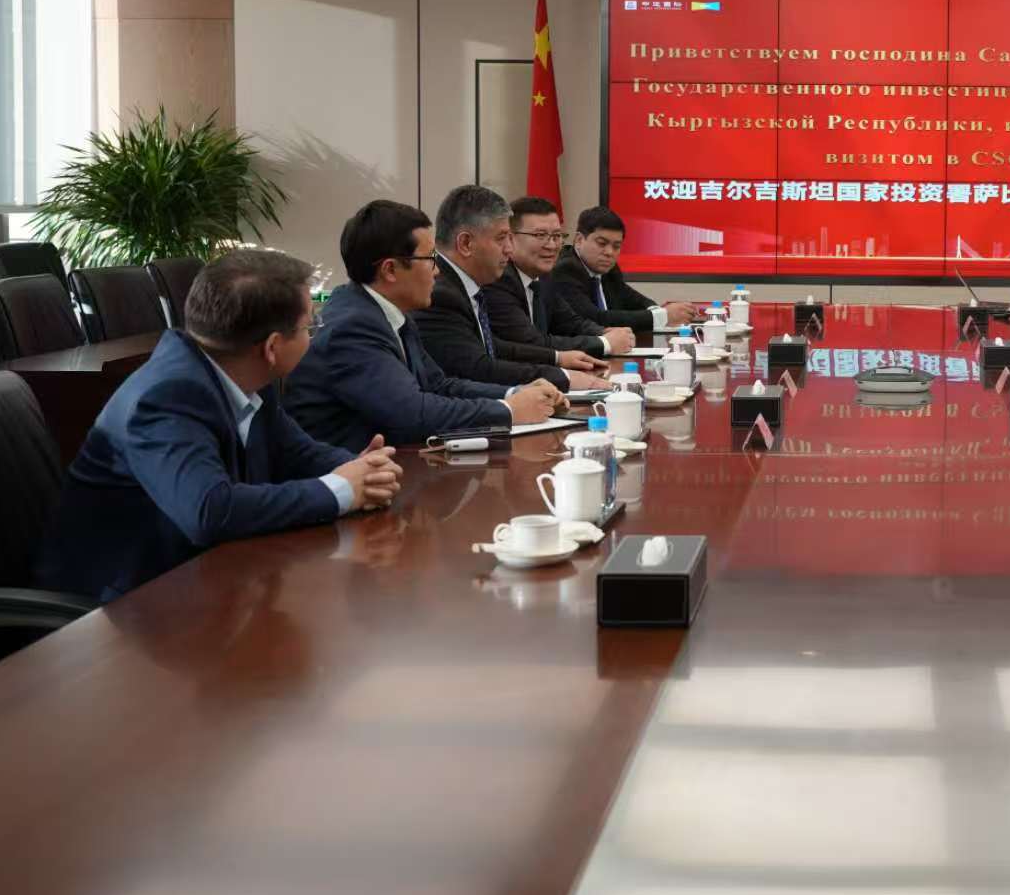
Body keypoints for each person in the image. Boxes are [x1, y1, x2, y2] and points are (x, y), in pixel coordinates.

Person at [36, 250, 402, 602]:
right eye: (310, 326)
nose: (314, 334)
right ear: (272, 347)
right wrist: (340, 490)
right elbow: (210, 511)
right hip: (118, 607)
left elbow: (296, 452)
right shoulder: (166, 398)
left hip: (199, 582)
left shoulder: (245, 373)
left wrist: (365, 471)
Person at [285, 200, 561, 450]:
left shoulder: (390, 313)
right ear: (390, 270)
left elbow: (439, 385)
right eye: (430, 259)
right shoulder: (352, 326)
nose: (437, 271)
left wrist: (515, 393)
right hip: (349, 470)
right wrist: (508, 410)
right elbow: (413, 413)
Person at [412, 185, 607, 391]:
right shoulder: (439, 293)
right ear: (466, 243)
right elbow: (478, 368)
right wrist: (563, 377)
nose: (509, 248)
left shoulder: (463, 283)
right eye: (501, 238)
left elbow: (490, 345)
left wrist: (557, 357)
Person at [484, 196, 636, 360]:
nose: (552, 245)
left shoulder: (544, 276)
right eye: (540, 235)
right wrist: (605, 343)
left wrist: (605, 332)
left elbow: (570, 322)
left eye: (557, 236)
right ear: (510, 238)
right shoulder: (498, 279)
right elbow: (531, 343)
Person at [551, 205, 698, 333]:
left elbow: (632, 299)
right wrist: (663, 316)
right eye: (602, 243)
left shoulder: (608, 269)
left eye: (616, 246)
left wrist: (658, 310)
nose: (609, 252)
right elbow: (596, 319)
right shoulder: (565, 270)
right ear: (579, 240)